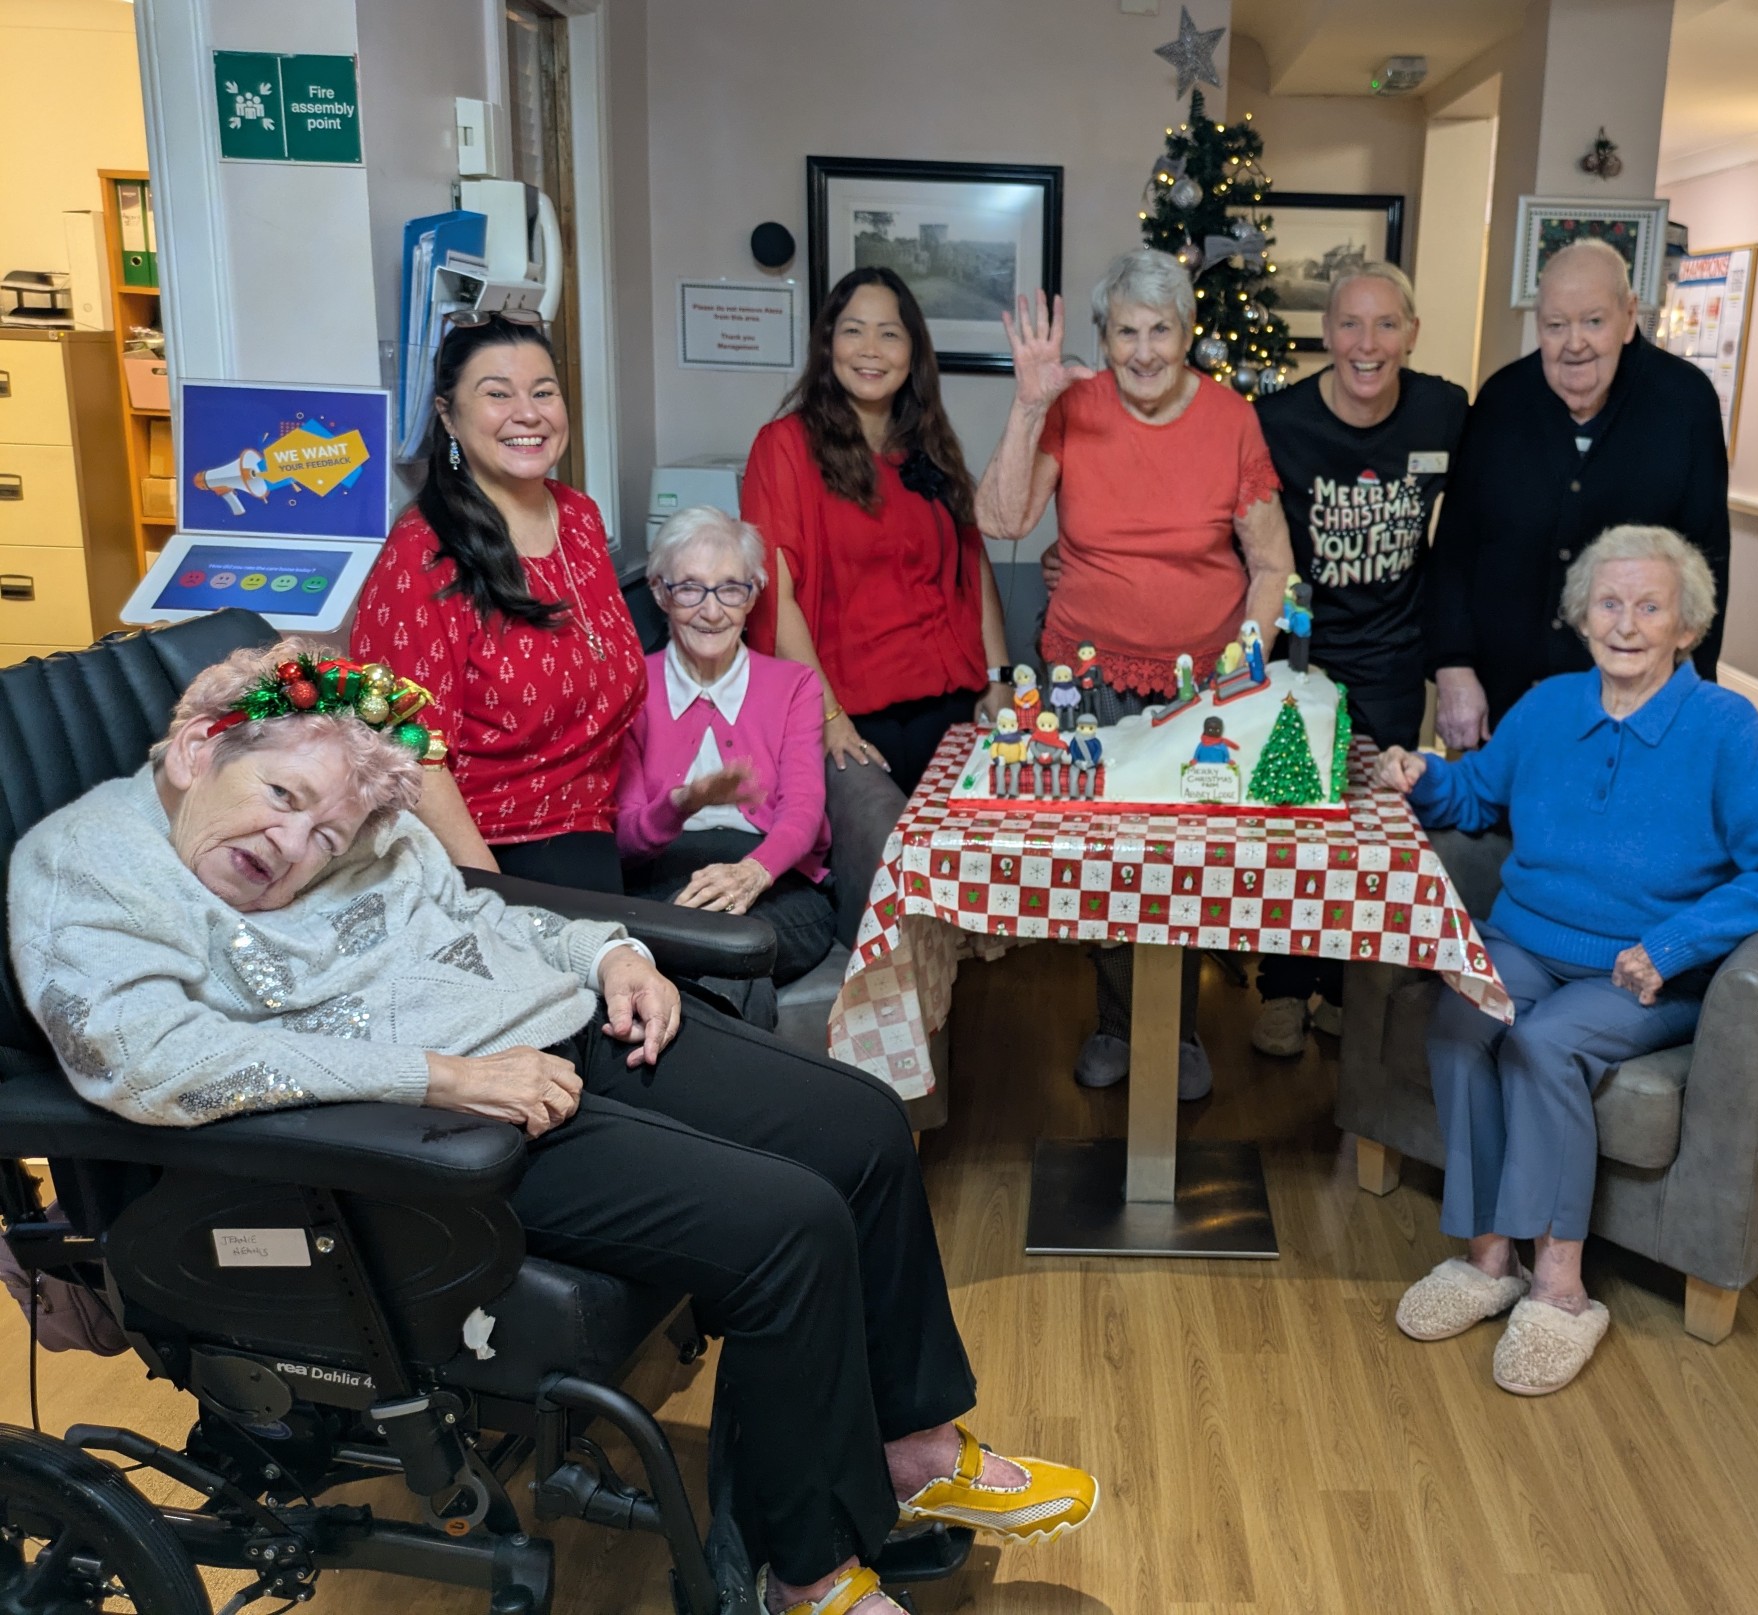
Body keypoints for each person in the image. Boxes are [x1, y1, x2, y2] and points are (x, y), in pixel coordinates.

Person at [10, 640, 1098, 1615]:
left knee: (861, 1120)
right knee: (787, 1224)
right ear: (202, 748)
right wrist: (438, 1077)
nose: (293, 840)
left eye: (325, 828)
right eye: (280, 795)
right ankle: (795, 1571)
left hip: (558, 1032)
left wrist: (611, 956)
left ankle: (908, 1446)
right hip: (432, 1140)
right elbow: (140, 1061)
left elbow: (474, 910)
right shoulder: (88, 865)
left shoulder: (341, 825)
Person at [1373, 527, 1758, 1394]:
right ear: (1582, 614)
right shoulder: (1550, 704)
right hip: (1526, 939)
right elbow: (1479, 793)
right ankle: (1487, 1261)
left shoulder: (1725, 730)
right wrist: (1423, 776)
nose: (1626, 624)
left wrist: (1673, 944)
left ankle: (1561, 1288)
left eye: (1650, 606)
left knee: (1545, 1044)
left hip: (1646, 970)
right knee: (1460, 1018)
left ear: (1687, 627)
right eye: (1609, 603)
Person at [978, 247, 1291, 1100]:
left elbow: (1271, 565)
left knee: (1188, 859)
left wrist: (1241, 668)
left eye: (1162, 330)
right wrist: (1027, 405)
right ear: (1104, 339)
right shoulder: (1073, 407)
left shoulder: (1231, 420)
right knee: (1100, 859)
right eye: (1126, 332)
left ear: (1188, 334)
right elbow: (1002, 515)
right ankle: (1121, 1023)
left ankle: (1178, 1032)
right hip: (1085, 673)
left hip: (1202, 685)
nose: (1145, 350)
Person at [1249, 262, 1468, 1057]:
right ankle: (1281, 987)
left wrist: (1453, 660)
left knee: (1371, 833)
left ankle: (1343, 986)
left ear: (1411, 334)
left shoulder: (1446, 412)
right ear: (1325, 333)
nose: (1366, 344)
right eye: (1349, 324)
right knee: (1296, 823)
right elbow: (1228, 530)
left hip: (1392, 658)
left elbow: (1481, 524)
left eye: (1385, 325)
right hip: (1300, 655)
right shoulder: (1276, 421)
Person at [351, 314, 646, 895]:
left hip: (596, 832)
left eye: (544, 392)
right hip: (485, 855)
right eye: (497, 394)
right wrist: (495, 904)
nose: (528, 413)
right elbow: (405, 750)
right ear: (448, 417)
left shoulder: (580, 518)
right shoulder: (421, 553)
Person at [1426, 240, 1731, 750]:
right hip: (1502, 701)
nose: (1575, 343)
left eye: (1593, 321)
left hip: (1634, 703)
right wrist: (1454, 668)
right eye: (1555, 325)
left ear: (1629, 316)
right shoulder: (1501, 401)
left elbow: (1708, 561)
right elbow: (1455, 549)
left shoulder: (1685, 404)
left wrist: (1690, 692)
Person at [742, 265, 1014, 798]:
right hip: (854, 721)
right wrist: (828, 717)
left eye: (889, 333)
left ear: (913, 352)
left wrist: (1000, 677)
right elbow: (776, 599)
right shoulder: (784, 448)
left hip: (952, 708)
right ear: (827, 344)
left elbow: (971, 564)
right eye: (853, 330)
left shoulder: (930, 445)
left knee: (961, 872)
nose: (870, 349)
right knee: (881, 871)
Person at [614, 506, 835, 994]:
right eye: (690, 588)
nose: (712, 612)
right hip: (664, 876)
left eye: (731, 589)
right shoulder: (630, 687)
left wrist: (752, 874)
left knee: (722, 943)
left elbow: (803, 812)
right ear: (659, 593)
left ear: (753, 595)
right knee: (722, 955)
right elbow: (625, 842)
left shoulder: (795, 685)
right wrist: (680, 805)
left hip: (775, 881)